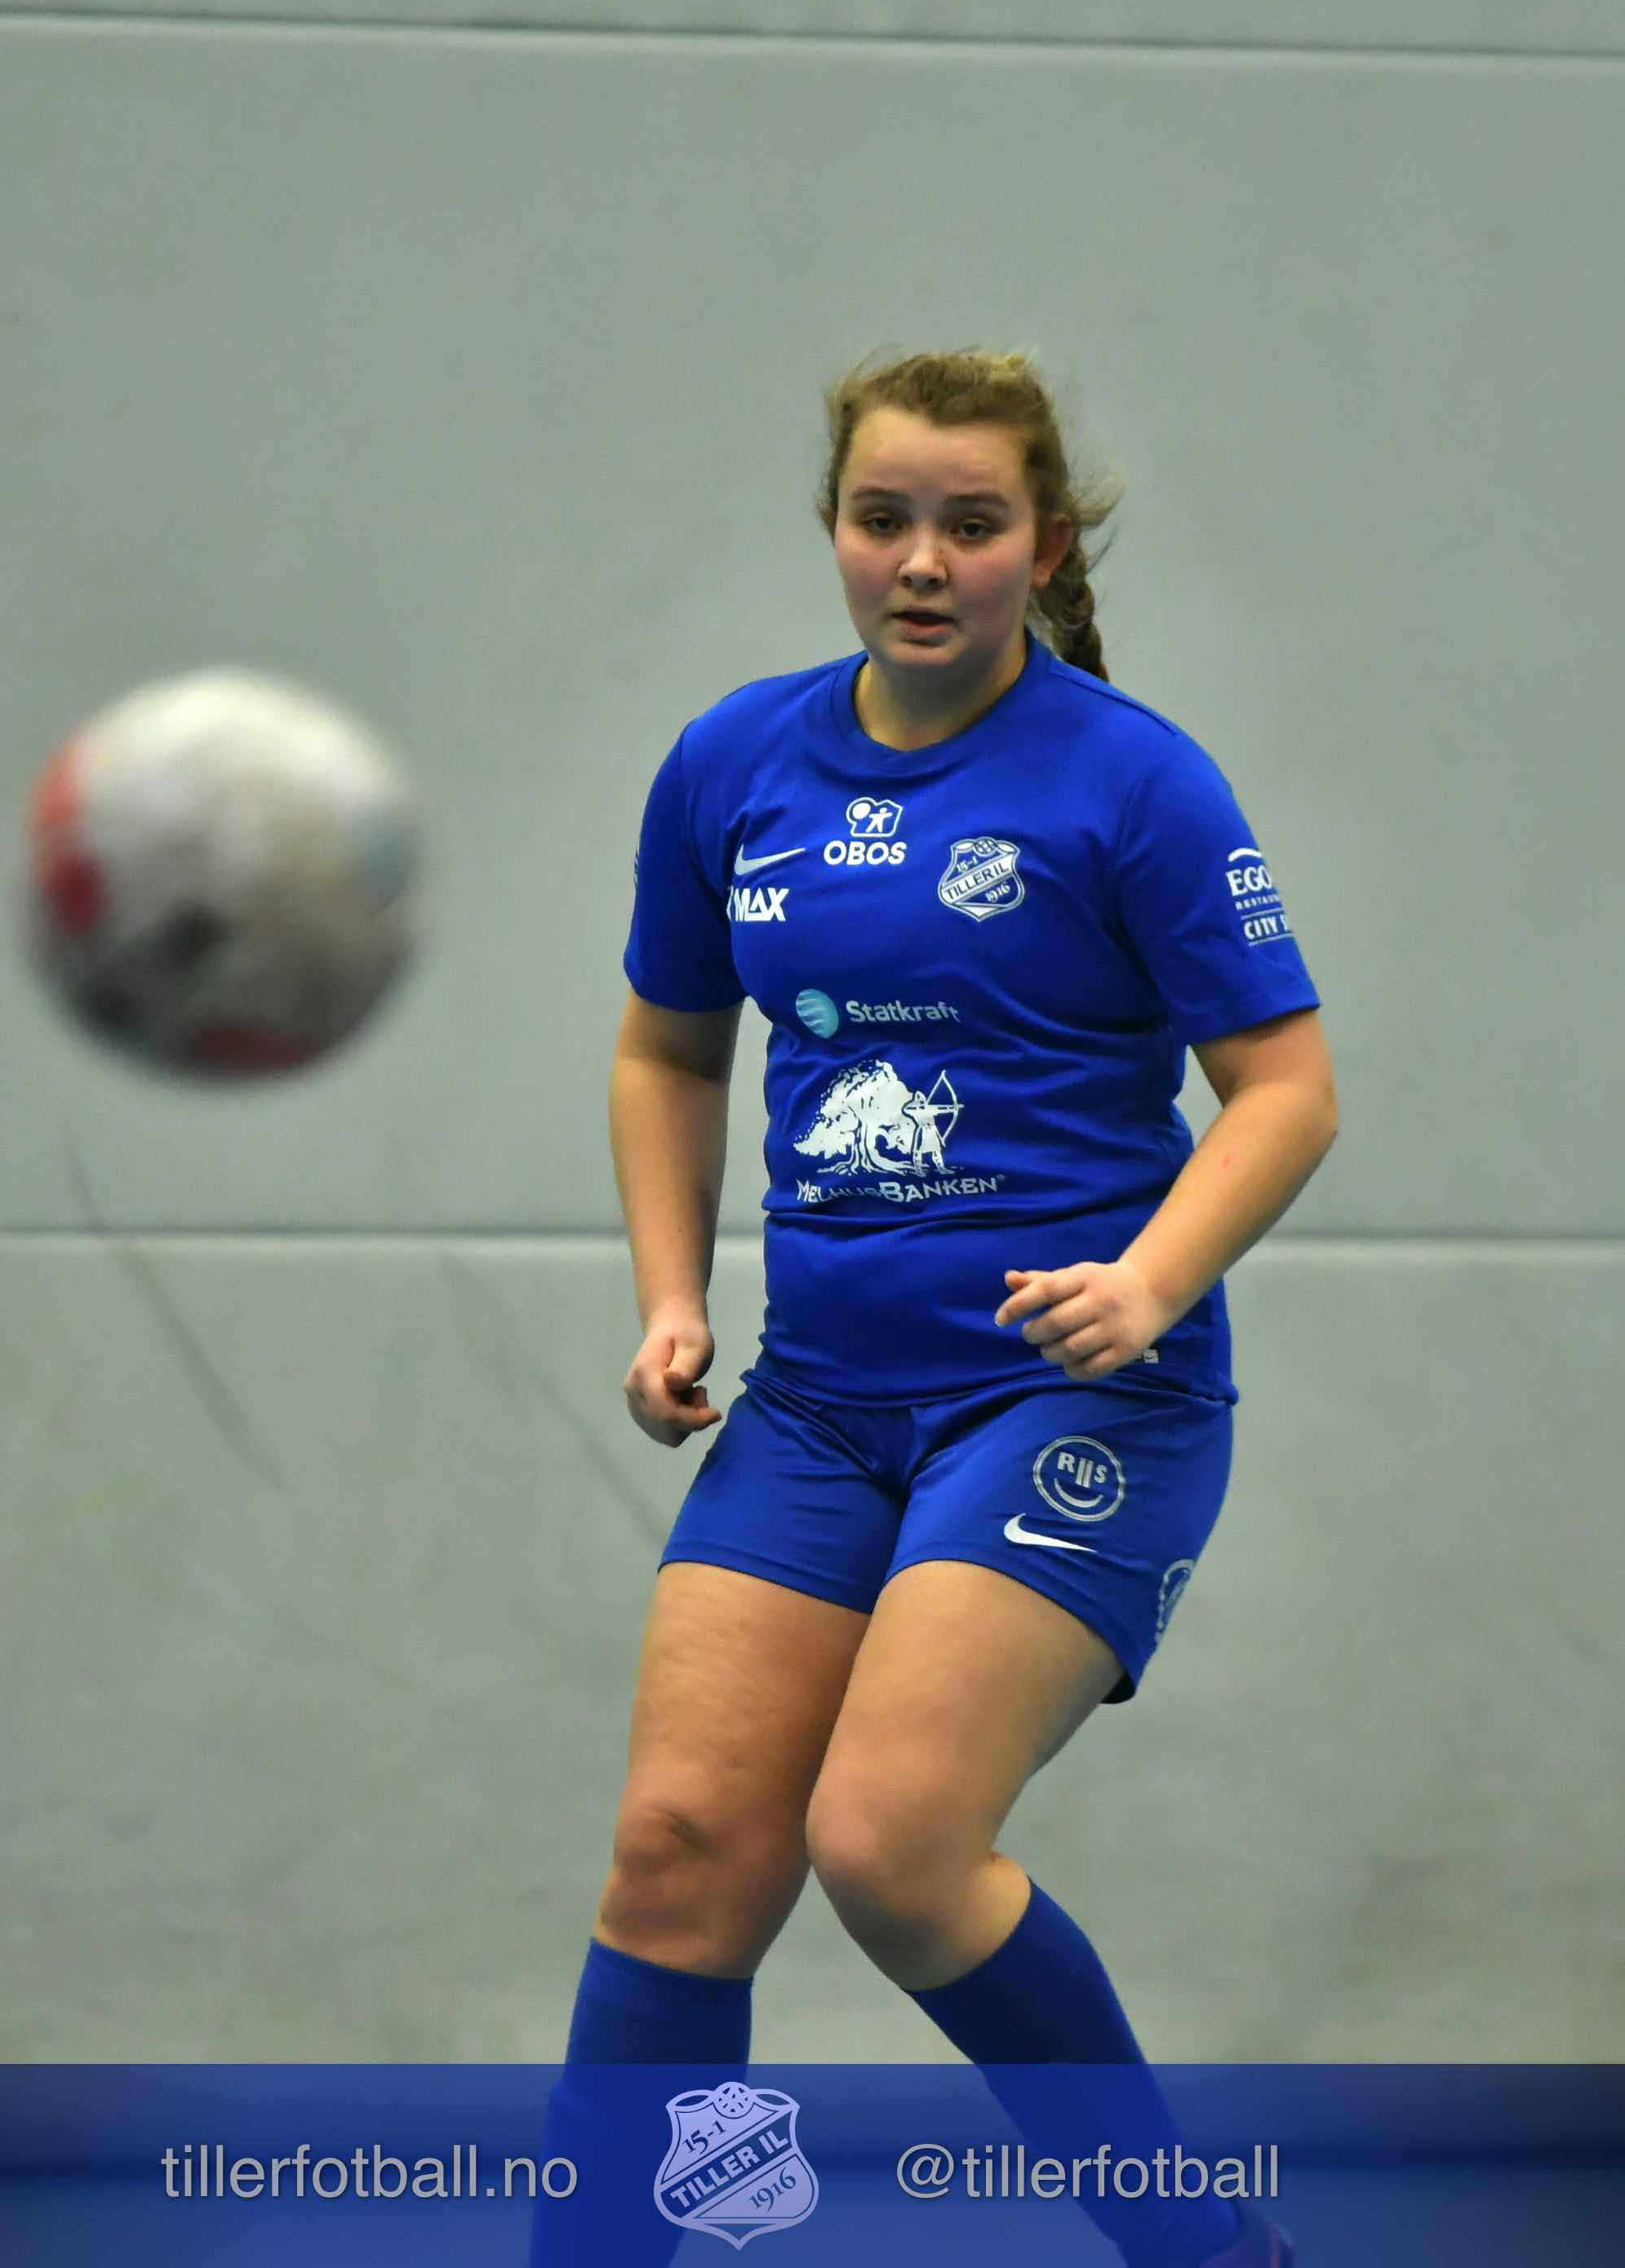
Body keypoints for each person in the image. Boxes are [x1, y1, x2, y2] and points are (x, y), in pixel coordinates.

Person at [534, 350, 1339, 2266]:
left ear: (1041, 549)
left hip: (1071, 1400)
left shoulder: (1133, 780)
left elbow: (1289, 1090)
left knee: (890, 1844)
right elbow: (666, 1048)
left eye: (971, 525)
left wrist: (1151, 1281)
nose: (920, 560)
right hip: (822, 1407)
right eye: (882, 518)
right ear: (833, 530)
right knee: (678, 1857)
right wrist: (671, 1297)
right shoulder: (734, 765)